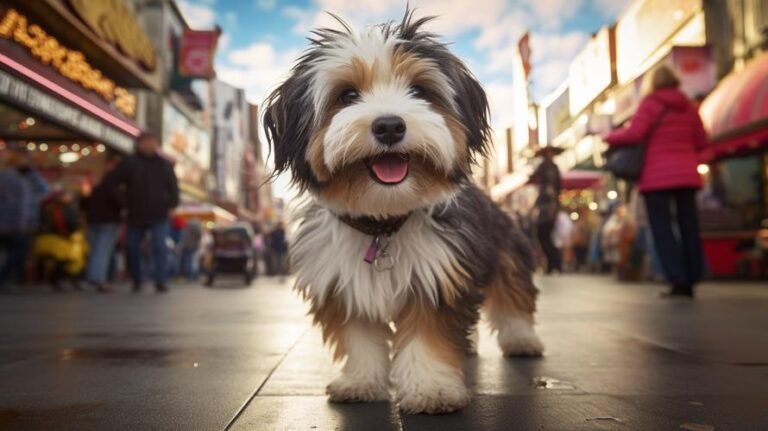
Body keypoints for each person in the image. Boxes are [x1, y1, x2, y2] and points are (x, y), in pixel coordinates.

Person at [603, 65, 707, 298]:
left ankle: (677, 279)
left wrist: (608, 136)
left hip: (656, 178)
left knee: (662, 229)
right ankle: (693, 275)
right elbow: (702, 140)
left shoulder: (650, 104)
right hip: (687, 176)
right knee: (689, 226)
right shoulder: (689, 107)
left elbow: (634, 134)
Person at [114, 133, 179, 293]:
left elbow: (173, 187)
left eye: (153, 142)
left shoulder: (164, 164)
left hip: (159, 213)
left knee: (160, 247)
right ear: (139, 144)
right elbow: (114, 183)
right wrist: (124, 202)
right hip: (135, 212)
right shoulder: (129, 162)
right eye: (147, 142)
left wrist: (172, 205)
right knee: (131, 247)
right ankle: (137, 279)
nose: (151, 145)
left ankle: (160, 280)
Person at [0, 152, 49, 288]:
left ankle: (7, 279)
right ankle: (5, 279)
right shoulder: (11, 178)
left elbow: (44, 190)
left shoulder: (25, 178)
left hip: (17, 222)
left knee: (14, 252)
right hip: (13, 223)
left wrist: (32, 173)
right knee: (17, 251)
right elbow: (18, 203)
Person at [83, 154, 123, 293]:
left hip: (94, 219)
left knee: (98, 250)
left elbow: (86, 201)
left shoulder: (98, 182)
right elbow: (117, 199)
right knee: (102, 250)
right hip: (107, 220)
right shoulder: (114, 181)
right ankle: (97, 278)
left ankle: (100, 277)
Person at [529, 146, 563, 274]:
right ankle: (553, 264)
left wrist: (555, 206)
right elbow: (534, 177)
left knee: (545, 236)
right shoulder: (544, 166)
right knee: (543, 236)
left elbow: (558, 187)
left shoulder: (553, 167)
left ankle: (555, 264)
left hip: (549, 207)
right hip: (545, 205)